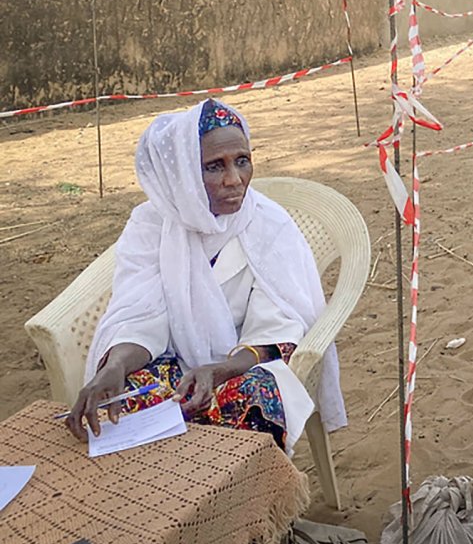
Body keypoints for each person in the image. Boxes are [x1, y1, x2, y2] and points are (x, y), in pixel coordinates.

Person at [67, 99, 345, 451]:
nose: (234, 180)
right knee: (121, 403)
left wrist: (222, 369)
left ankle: (229, 499)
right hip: (173, 362)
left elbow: (281, 323)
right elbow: (139, 315)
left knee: (253, 400)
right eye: (214, 167)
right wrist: (116, 366)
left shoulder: (267, 225)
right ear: (181, 175)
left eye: (242, 161)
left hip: (247, 365)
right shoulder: (151, 225)